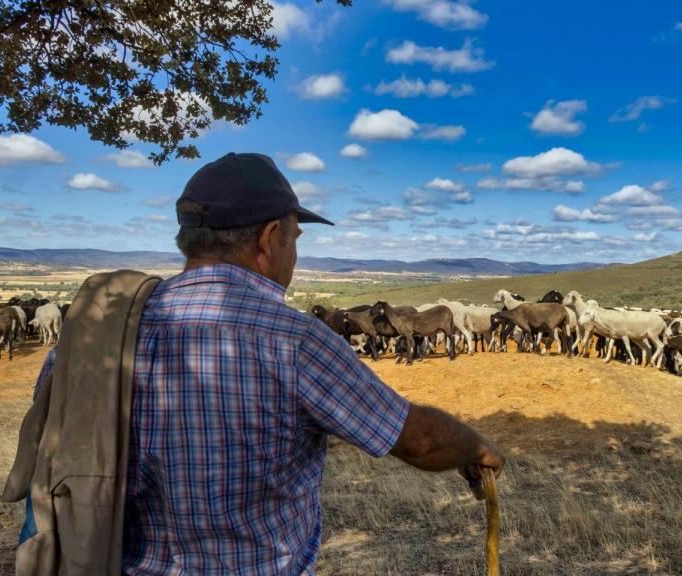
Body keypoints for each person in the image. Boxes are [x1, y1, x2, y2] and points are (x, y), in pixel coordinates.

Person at [25, 152, 504, 575]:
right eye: (295, 238)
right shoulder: (294, 341)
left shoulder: (95, 335)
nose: (294, 253)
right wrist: (475, 448)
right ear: (271, 238)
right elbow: (416, 441)